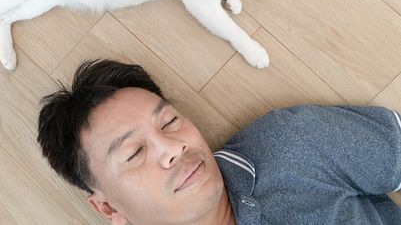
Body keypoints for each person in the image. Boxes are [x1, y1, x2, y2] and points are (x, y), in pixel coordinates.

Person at [37, 59, 401, 224]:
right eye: (134, 153)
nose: (172, 147)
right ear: (107, 209)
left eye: (170, 121)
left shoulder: (294, 143)